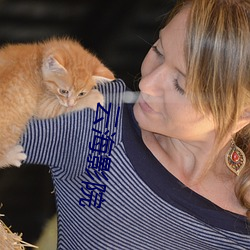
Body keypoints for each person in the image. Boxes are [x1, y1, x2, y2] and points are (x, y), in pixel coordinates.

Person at [21, 0, 250, 249]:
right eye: (158, 51)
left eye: (181, 85)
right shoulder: (99, 119)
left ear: (243, 112)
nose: (147, 84)